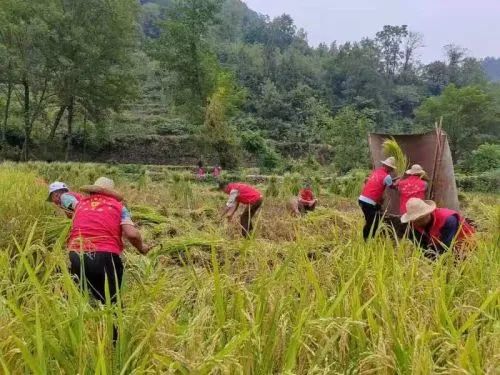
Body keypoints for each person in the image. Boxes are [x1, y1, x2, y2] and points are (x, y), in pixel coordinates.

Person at [67, 177, 150, 339]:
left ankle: (83, 337)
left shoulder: (80, 205)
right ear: (111, 194)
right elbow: (132, 234)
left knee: (83, 299)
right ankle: (115, 343)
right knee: (112, 302)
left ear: (92, 191)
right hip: (104, 256)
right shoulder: (119, 207)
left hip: (75, 254)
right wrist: (142, 248)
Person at [401, 198, 475, 259]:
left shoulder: (448, 219)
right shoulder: (414, 224)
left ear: (427, 214)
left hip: (464, 245)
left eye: (419, 219)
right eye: (414, 220)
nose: (415, 223)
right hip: (438, 244)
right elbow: (421, 246)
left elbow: (446, 247)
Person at [358, 157, 397, 240]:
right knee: (372, 222)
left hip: (362, 199)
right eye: (391, 169)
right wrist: (398, 184)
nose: (391, 170)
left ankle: (368, 238)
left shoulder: (376, 172)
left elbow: (379, 182)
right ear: (389, 168)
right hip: (369, 202)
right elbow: (392, 186)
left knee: (372, 216)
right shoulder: (387, 177)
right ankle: (367, 240)